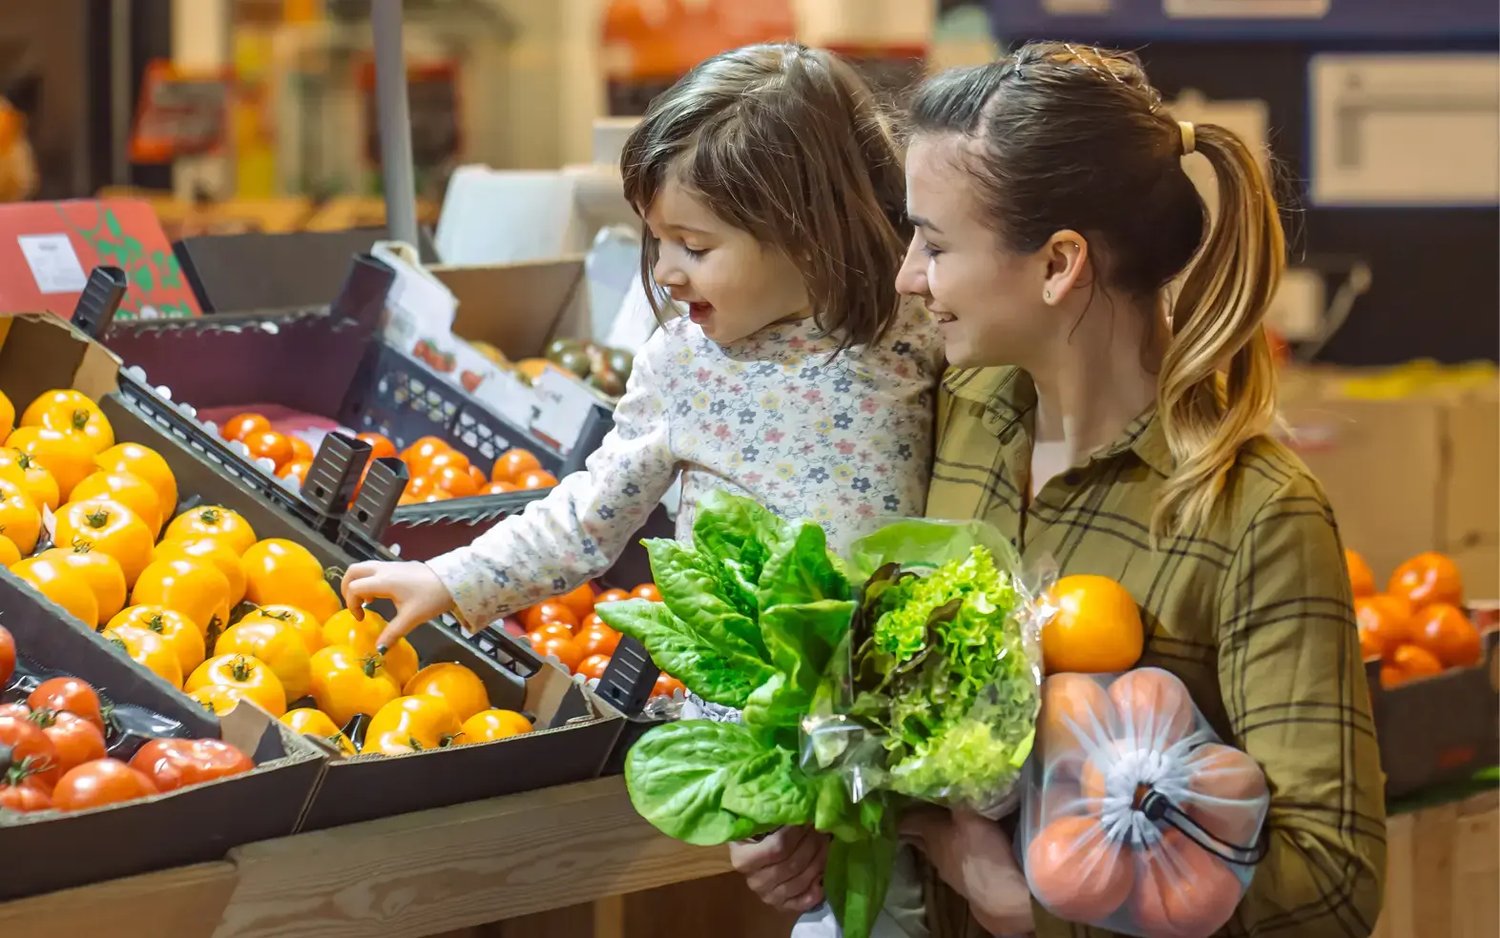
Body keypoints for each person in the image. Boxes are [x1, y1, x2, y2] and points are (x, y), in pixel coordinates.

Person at [731, 41, 1386, 938]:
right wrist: (814, 813)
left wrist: (1032, 902)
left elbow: (1332, 887)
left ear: (1058, 264)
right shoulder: (953, 414)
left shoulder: (1252, 513)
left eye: (935, 243)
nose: (906, 277)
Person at [342, 42, 941, 938]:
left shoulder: (913, 331)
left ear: (811, 230)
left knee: (892, 898)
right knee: (848, 908)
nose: (663, 270)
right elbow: (588, 514)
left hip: (896, 716)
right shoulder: (685, 367)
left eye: (695, 246)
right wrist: (456, 578)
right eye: (656, 240)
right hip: (765, 731)